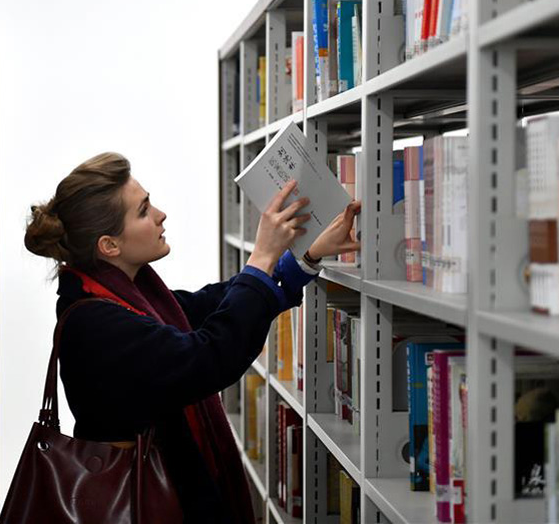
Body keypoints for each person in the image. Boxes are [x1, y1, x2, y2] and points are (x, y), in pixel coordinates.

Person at [24, 152, 361, 524]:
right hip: (147, 502)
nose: (160, 215)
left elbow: (210, 305)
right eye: (143, 210)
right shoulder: (96, 325)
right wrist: (261, 256)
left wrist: (305, 257)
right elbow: (210, 356)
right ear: (109, 246)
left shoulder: (132, 297)